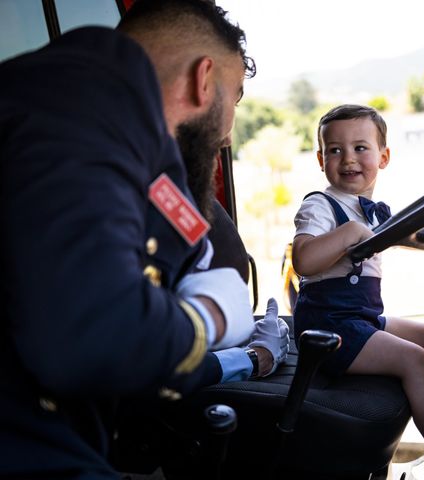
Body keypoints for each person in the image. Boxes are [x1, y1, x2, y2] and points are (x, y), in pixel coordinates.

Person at [0, 0, 286, 477]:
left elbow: (175, 239)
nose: (228, 136)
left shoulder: (104, 123)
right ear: (203, 78)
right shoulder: (85, 110)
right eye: (233, 99)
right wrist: (210, 318)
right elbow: (88, 335)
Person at [292, 104, 424, 480]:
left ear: (384, 156)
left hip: (359, 320)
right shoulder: (321, 205)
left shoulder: (372, 211)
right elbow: (304, 260)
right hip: (329, 328)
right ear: (320, 159)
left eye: (361, 148)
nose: (348, 159)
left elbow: (418, 236)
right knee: (413, 359)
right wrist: (349, 234)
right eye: (335, 150)